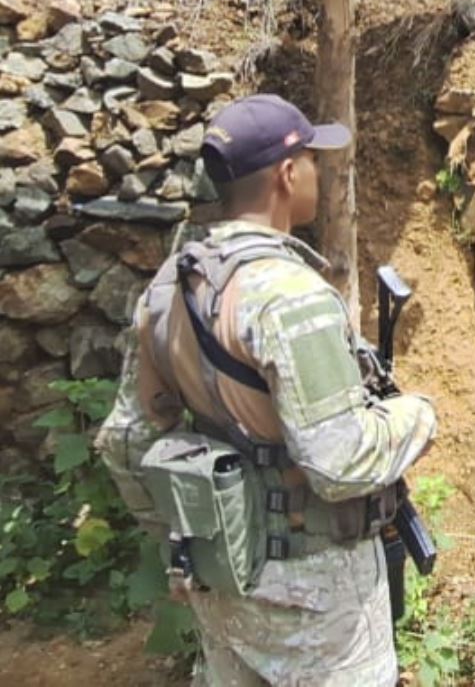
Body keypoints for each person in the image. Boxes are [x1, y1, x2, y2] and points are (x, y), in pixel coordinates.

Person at [97, 94, 437, 687]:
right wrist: (416, 416)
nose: (315, 172)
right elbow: (340, 462)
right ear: (286, 175)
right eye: (310, 160)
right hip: (318, 601)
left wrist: (181, 543)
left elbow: (124, 440)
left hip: (222, 578)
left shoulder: (169, 288)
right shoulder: (289, 295)